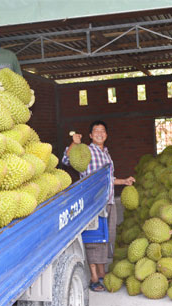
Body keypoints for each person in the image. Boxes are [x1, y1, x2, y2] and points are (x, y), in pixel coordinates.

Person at [62, 120, 135, 292]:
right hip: (93, 203)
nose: (99, 133)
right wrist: (74, 143)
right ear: (90, 135)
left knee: (106, 237)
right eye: (96, 131)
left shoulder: (106, 154)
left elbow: (108, 179)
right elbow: (66, 160)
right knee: (94, 239)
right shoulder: (85, 150)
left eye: (102, 131)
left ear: (106, 135)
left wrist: (124, 181)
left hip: (108, 201)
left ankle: (102, 272)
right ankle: (94, 277)